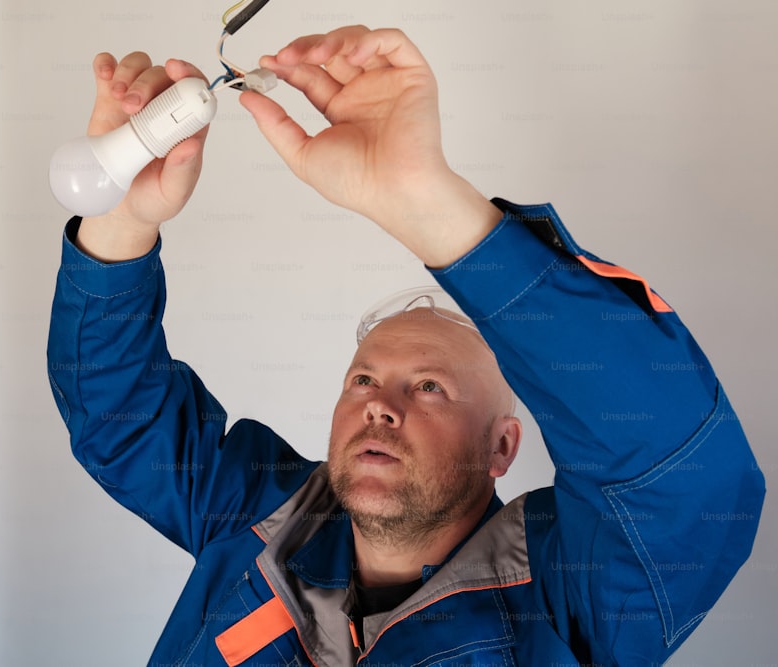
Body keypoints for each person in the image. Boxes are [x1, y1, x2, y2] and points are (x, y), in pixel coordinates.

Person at [46, 26, 764, 666]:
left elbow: (679, 474)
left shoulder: (571, 593)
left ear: (502, 448)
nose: (379, 407)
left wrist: (430, 205)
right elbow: (120, 415)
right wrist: (124, 216)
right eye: (363, 379)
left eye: (428, 387)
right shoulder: (258, 515)